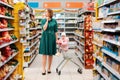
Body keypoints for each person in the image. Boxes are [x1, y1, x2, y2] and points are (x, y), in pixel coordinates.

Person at [39, 8, 58, 75]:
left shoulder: (54, 21)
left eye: (46, 12)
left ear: (50, 13)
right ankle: (43, 69)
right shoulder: (43, 20)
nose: (45, 13)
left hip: (52, 38)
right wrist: (47, 20)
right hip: (45, 38)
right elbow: (44, 28)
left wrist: (56, 40)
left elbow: (56, 31)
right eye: (45, 12)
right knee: (44, 54)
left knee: (50, 54)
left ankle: (49, 68)